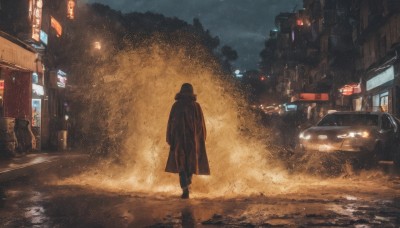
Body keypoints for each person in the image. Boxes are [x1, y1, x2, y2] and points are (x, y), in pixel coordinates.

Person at [165, 83, 210, 199]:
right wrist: (201, 139)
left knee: (182, 165)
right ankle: (187, 185)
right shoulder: (195, 106)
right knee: (190, 164)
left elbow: (170, 124)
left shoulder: (177, 105)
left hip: (179, 140)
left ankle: (185, 188)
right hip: (192, 140)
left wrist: (170, 138)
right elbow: (201, 125)